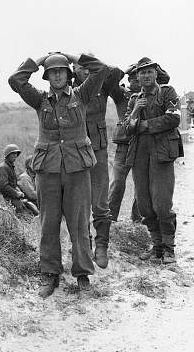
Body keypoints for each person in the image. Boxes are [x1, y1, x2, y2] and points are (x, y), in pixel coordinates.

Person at [9, 52, 108, 297]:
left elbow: (102, 70)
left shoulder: (82, 94)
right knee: (49, 223)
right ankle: (50, 274)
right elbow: (15, 80)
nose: (57, 75)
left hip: (77, 169)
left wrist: (74, 56)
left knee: (79, 222)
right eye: (52, 71)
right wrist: (39, 60)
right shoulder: (40, 100)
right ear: (47, 76)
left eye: (62, 70)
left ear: (69, 73)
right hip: (48, 170)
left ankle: (82, 273)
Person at [123, 57, 182, 264]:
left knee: (162, 203)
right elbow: (126, 129)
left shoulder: (167, 92)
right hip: (140, 154)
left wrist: (145, 125)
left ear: (156, 74)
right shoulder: (133, 100)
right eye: (142, 73)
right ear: (137, 77)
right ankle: (156, 246)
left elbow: (173, 118)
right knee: (145, 205)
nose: (146, 76)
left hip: (162, 153)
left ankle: (169, 248)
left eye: (149, 72)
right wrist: (137, 110)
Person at [72, 61, 125, 269]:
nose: (84, 70)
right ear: (73, 69)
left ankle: (102, 245)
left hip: (98, 151)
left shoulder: (102, 86)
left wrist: (82, 58)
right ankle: (85, 245)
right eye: (79, 66)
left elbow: (117, 72)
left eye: (88, 66)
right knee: (79, 204)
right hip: (75, 152)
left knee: (101, 202)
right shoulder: (70, 89)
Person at [108, 63, 170, 223]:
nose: (135, 81)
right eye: (133, 78)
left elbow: (165, 78)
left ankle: (137, 218)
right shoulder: (122, 95)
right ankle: (111, 219)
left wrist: (144, 65)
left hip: (143, 143)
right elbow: (112, 79)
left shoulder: (156, 93)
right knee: (118, 182)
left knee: (141, 184)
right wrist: (128, 69)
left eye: (139, 77)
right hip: (124, 143)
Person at [0, 145, 39, 216]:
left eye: (16, 154)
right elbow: (3, 186)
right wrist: (16, 193)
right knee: (27, 216)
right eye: (12, 153)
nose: (15, 155)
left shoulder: (10, 167)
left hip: (15, 197)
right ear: (7, 155)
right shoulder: (3, 168)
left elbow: (13, 184)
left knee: (31, 211)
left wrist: (19, 192)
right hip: (9, 198)